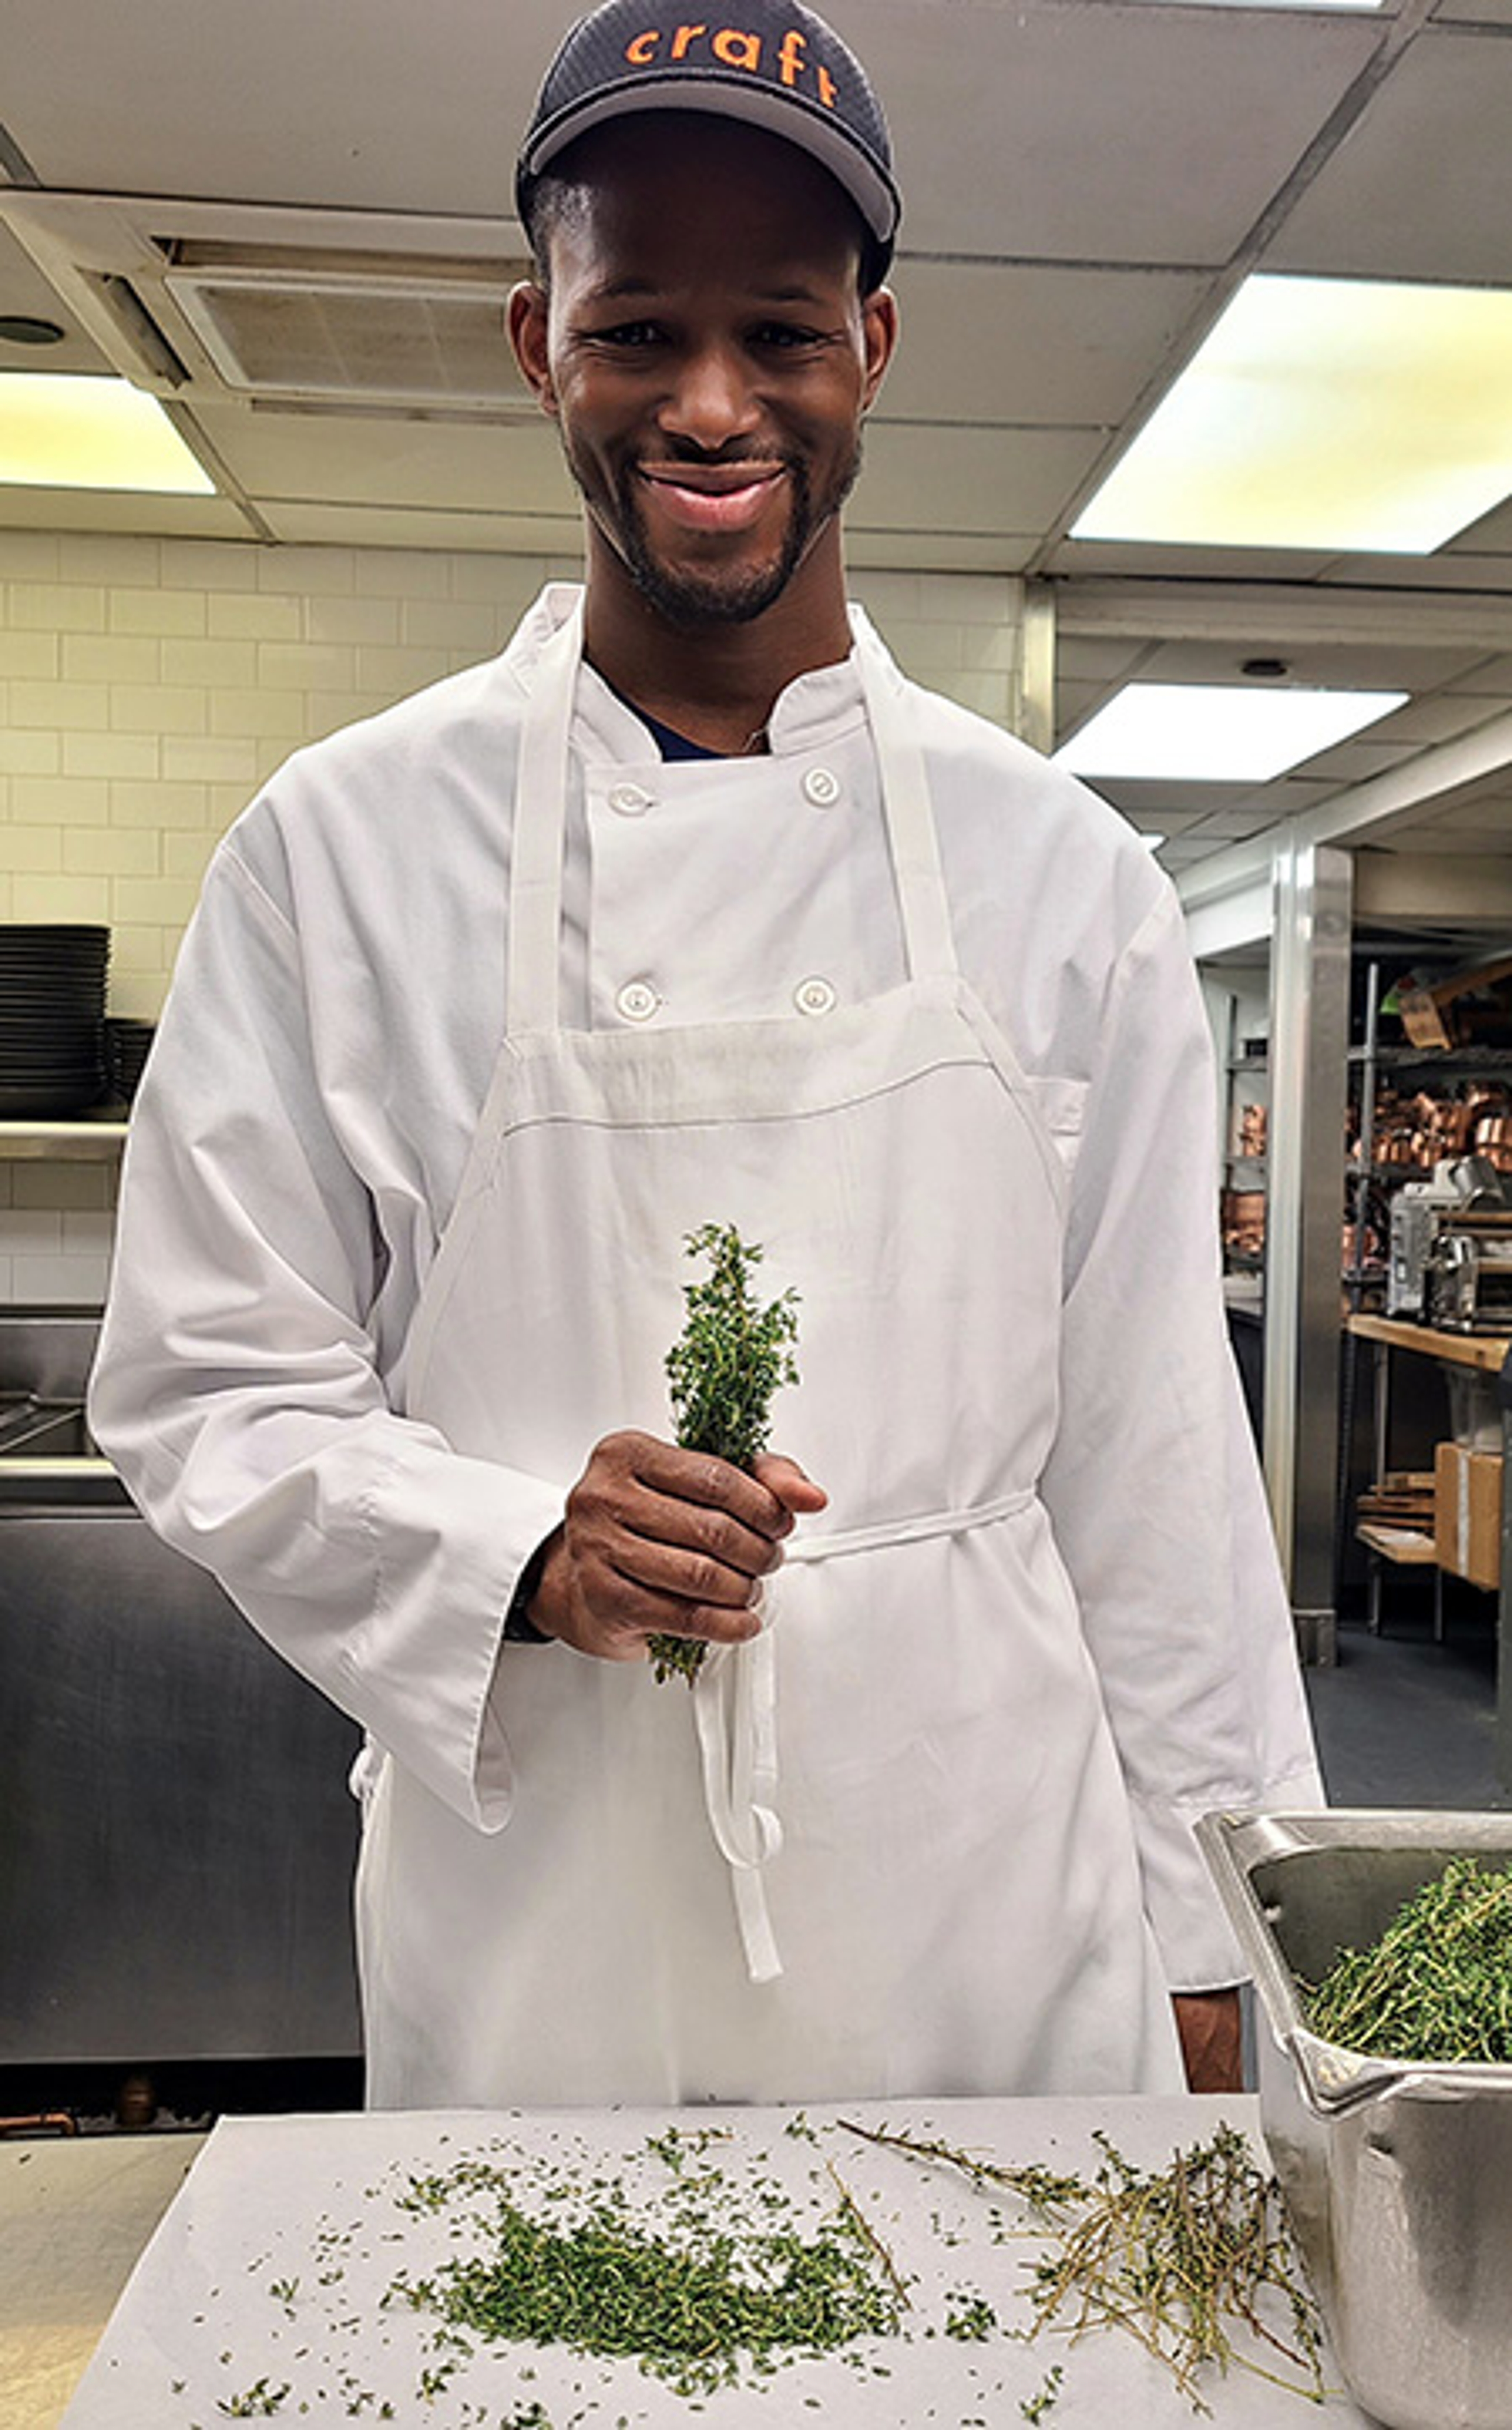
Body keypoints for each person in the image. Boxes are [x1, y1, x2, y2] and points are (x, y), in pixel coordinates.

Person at [90, 0, 1321, 2112]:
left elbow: (1154, 1469)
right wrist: (507, 1555)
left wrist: (1211, 1936)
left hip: (985, 1905)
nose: (714, 399)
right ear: (532, 342)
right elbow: (209, 1382)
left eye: (782, 326)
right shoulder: (344, 851)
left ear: (878, 346)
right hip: (554, 1911)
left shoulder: (1063, 877)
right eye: (636, 326)